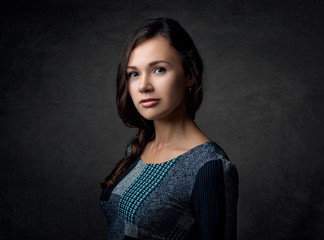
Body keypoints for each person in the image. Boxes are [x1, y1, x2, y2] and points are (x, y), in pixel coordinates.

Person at [100, 18, 238, 240]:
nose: (144, 86)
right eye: (134, 73)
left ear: (189, 75)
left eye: (158, 69)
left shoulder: (209, 167)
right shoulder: (139, 147)